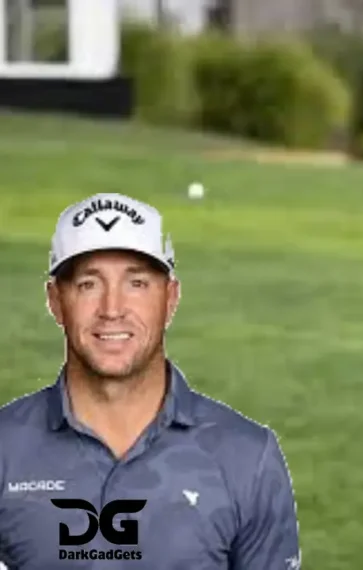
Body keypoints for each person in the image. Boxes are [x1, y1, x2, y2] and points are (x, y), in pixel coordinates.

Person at [0, 193, 302, 570]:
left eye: (137, 283)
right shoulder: (5, 449)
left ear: (171, 297)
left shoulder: (247, 459)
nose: (112, 309)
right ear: (55, 300)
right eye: (88, 285)